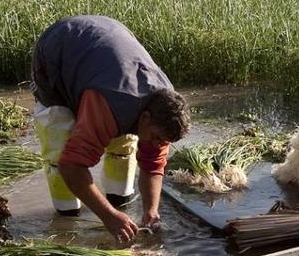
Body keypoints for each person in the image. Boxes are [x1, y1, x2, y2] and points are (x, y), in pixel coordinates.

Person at [31, 15, 190, 243]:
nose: (157, 144)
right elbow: (72, 166)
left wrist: (151, 210)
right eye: (155, 137)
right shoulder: (106, 106)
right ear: (145, 117)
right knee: (60, 147)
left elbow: (153, 164)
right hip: (60, 49)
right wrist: (108, 216)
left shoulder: (164, 108)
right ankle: (67, 221)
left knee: (122, 153)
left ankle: (119, 203)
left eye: (162, 141)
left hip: (110, 49)